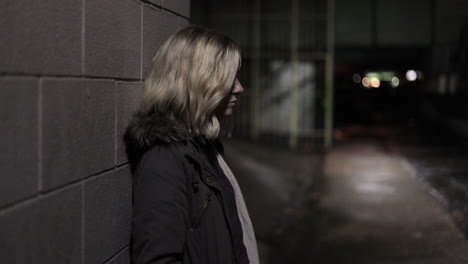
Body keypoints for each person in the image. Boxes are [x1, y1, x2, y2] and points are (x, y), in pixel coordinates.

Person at [124, 26, 259, 264]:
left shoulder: (203, 147)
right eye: (230, 77)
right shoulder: (164, 159)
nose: (239, 87)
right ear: (200, 81)